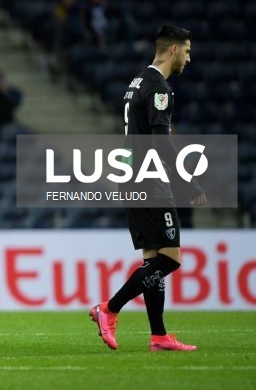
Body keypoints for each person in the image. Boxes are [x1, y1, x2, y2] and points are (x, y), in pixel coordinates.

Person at [90, 25, 204, 352]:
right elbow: (160, 143)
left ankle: (159, 336)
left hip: (132, 176)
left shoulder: (137, 81)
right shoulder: (158, 87)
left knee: (153, 257)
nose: (189, 58)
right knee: (171, 258)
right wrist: (187, 182)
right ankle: (109, 308)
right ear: (173, 49)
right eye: (187, 51)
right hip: (148, 178)